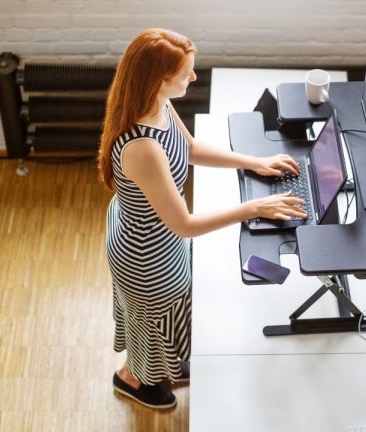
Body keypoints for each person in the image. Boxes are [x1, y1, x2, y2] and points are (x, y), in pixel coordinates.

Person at [97, 28, 307, 409]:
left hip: (154, 234)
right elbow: (186, 225)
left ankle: (161, 364)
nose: (193, 78)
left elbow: (190, 149)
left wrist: (254, 161)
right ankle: (133, 380)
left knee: (169, 317)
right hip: (146, 254)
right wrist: (256, 207)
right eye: (186, 73)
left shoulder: (157, 102)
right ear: (160, 79)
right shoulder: (142, 147)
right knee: (154, 324)